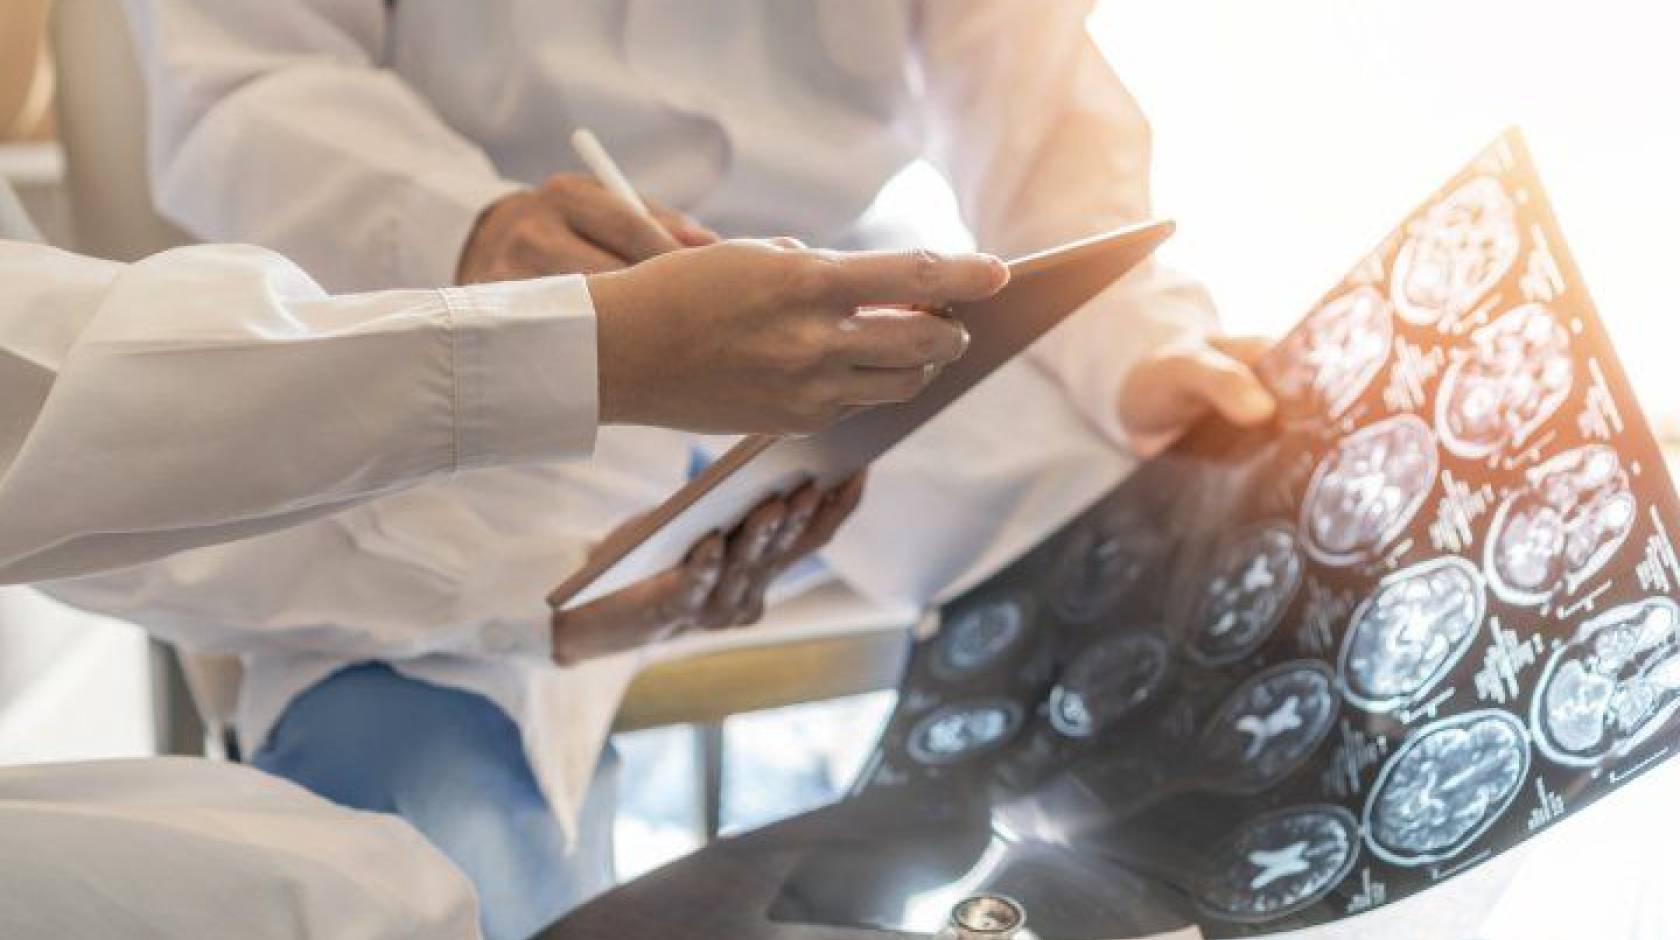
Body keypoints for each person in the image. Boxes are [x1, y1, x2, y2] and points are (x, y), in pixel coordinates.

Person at [97, 1, 1278, 937]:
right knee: (421, 831)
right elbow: (245, 83)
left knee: (1211, 595)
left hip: (854, 324)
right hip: (463, 317)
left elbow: (1034, 86)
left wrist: (1136, 347)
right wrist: (476, 230)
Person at [0, 160, 1006, 938]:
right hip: (400, 380)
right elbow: (76, 420)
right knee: (401, 880)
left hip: (703, 410)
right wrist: (560, 325)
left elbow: (66, 456)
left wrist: (536, 598)